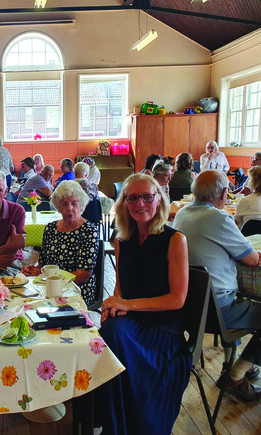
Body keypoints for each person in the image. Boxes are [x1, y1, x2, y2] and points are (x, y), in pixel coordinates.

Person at [174, 170, 261, 402]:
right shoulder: (219, 218)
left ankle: (234, 363)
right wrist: (255, 254)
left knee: (237, 296)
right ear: (224, 193)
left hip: (187, 309)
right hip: (218, 312)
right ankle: (236, 375)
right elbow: (252, 259)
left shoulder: (181, 213)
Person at [92, 173, 190, 435]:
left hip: (163, 330)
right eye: (132, 198)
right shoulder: (121, 241)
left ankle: (118, 424)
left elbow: (177, 299)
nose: (140, 204)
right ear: (124, 203)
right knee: (107, 331)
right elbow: (120, 289)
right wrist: (114, 306)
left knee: (112, 335)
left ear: (159, 200)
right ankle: (115, 423)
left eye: (147, 197)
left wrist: (127, 305)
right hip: (133, 323)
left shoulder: (175, 240)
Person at [22, 181, 99, 306]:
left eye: (74, 203)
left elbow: (83, 275)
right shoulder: (50, 228)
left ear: (81, 205)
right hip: (48, 287)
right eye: (64, 204)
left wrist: (47, 277)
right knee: (24, 305)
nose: (69, 208)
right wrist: (33, 271)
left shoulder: (88, 231)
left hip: (76, 291)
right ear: (58, 207)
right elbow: (42, 265)